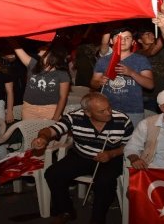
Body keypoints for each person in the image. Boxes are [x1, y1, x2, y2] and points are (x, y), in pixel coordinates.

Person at [32, 92, 133, 224]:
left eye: (109, 107)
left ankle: (98, 218)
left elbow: (130, 145)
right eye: (102, 111)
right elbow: (50, 130)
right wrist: (43, 138)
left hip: (111, 158)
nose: (108, 113)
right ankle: (66, 210)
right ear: (88, 113)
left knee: (105, 182)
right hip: (82, 155)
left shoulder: (122, 120)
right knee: (53, 174)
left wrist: (111, 154)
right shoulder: (74, 117)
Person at [91, 27, 154, 127]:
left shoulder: (141, 60)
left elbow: (150, 85)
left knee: (133, 141)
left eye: (127, 38)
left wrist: (131, 73)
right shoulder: (103, 61)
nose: (123, 41)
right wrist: (99, 82)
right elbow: (93, 83)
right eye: (118, 37)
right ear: (111, 41)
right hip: (107, 110)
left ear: (133, 42)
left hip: (133, 110)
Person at [10, 40, 70, 121]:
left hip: (51, 109)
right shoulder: (33, 64)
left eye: (46, 47)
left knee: (49, 133)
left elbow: (63, 97)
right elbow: (18, 49)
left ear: (53, 53)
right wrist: (10, 38)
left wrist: (56, 117)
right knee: (30, 133)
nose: (40, 47)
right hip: (29, 109)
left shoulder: (62, 73)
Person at [135, 26, 164, 116]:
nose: (151, 36)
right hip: (149, 97)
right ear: (140, 40)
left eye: (152, 33)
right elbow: (151, 52)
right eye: (147, 34)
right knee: (152, 123)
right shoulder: (138, 54)